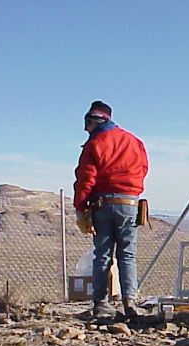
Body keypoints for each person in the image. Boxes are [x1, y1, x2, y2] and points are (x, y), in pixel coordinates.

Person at [73, 100, 149, 319]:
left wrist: (80, 207)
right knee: (127, 255)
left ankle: (101, 303)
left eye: (88, 123)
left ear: (96, 120)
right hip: (129, 204)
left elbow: (85, 178)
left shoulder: (94, 143)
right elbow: (143, 169)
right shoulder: (134, 141)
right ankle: (130, 302)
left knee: (103, 255)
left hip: (103, 205)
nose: (86, 128)